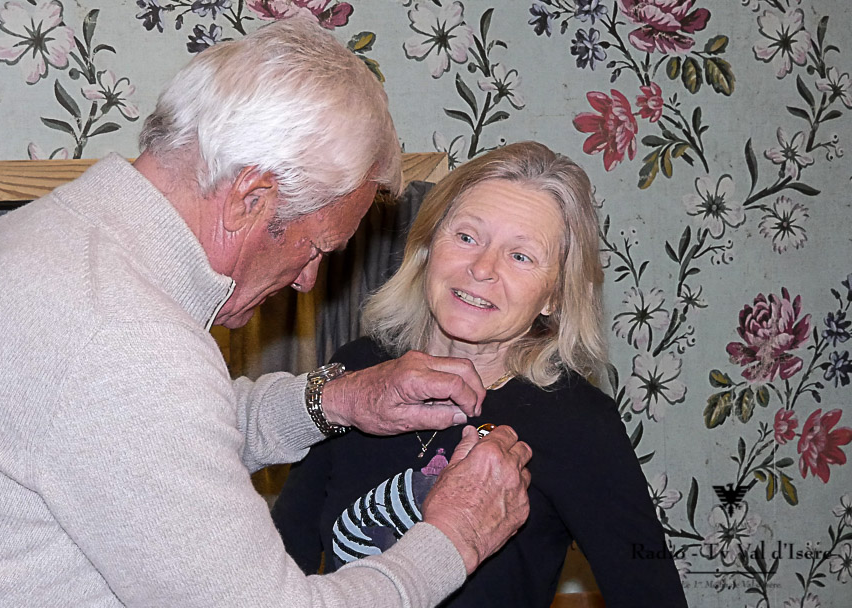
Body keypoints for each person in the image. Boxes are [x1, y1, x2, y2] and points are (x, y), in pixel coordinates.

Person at [0, 17, 533, 608]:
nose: (310, 280)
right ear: (250, 199)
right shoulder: (123, 336)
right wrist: (453, 538)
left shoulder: (50, 239)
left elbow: (142, 439)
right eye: (315, 247)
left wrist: (336, 400)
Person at [273, 141, 689, 607]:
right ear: (427, 247)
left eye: (521, 256)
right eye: (467, 237)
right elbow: (285, 559)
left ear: (554, 296)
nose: (482, 269)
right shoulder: (359, 373)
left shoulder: (580, 424)